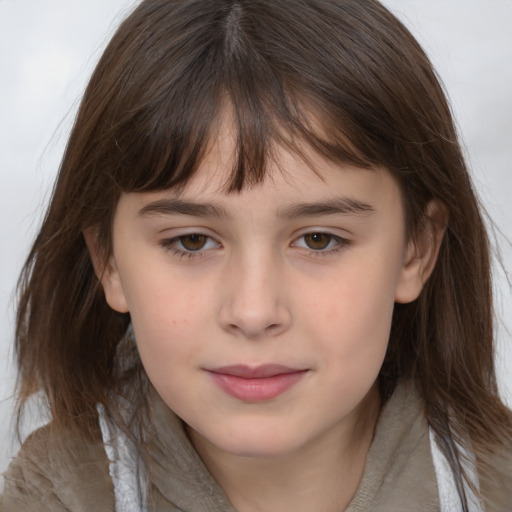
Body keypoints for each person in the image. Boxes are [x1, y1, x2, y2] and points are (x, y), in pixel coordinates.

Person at [1, 0, 511, 510]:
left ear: (416, 251)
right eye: (192, 241)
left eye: (319, 239)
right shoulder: (52, 495)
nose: (253, 312)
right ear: (108, 262)